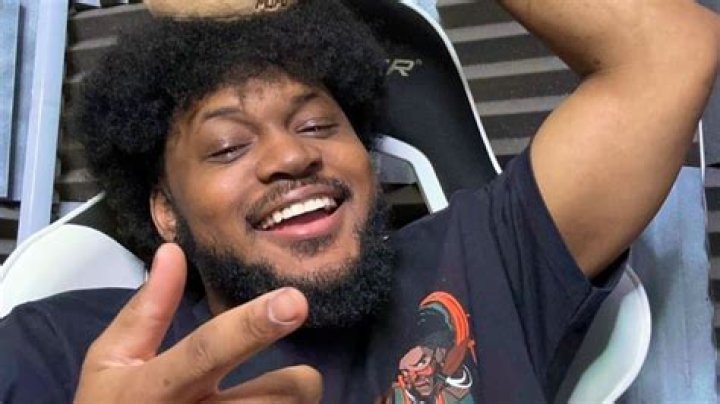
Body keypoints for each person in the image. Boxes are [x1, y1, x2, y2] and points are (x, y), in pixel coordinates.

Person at [0, 0, 717, 402]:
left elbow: (670, 54)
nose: (291, 157)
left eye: (318, 125)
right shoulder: (58, 347)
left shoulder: (486, 255)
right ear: (165, 211)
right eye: (228, 146)